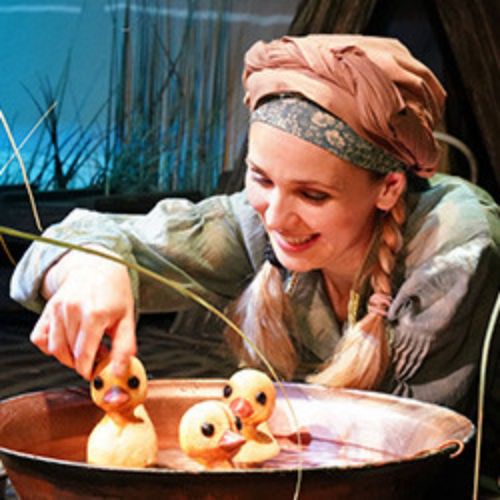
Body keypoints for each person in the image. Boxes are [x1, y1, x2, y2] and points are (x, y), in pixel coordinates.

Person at [10, 35, 499, 421]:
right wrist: (93, 269)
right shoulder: (258, 220)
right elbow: (68, 241)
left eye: (313, 195)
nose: (276, 217)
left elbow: (404, 441)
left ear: (389, 187)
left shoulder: (453, 248)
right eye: (261, 178)